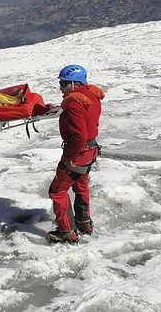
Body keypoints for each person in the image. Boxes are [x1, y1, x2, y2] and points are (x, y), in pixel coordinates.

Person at [47, 64, 105, 243]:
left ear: (74, 83)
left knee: (57, 190)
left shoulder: (74, 104)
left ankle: (66, 231)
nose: (61, 88)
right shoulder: (91, 95)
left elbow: (79, 136)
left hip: (78, 153)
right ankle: (84, 221)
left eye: (64, 84)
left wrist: (68, 158)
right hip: (91, 150)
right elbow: (84, 114)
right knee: (81, 185)